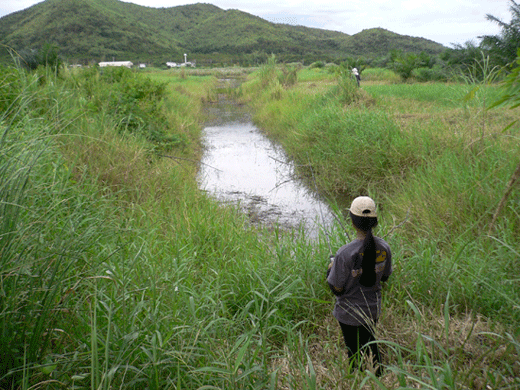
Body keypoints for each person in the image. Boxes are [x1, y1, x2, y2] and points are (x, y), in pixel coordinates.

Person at [326, 196, 392, 375]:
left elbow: (337, 289)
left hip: (348, 314)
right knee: (370, 342)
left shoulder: (344, 253)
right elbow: (384, 278)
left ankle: (356, 376)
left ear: (352, 222)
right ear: (375, 221)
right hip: (372, 310)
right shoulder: (384, 247)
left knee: (353, 350)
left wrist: (330, 269)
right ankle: (377, 374)